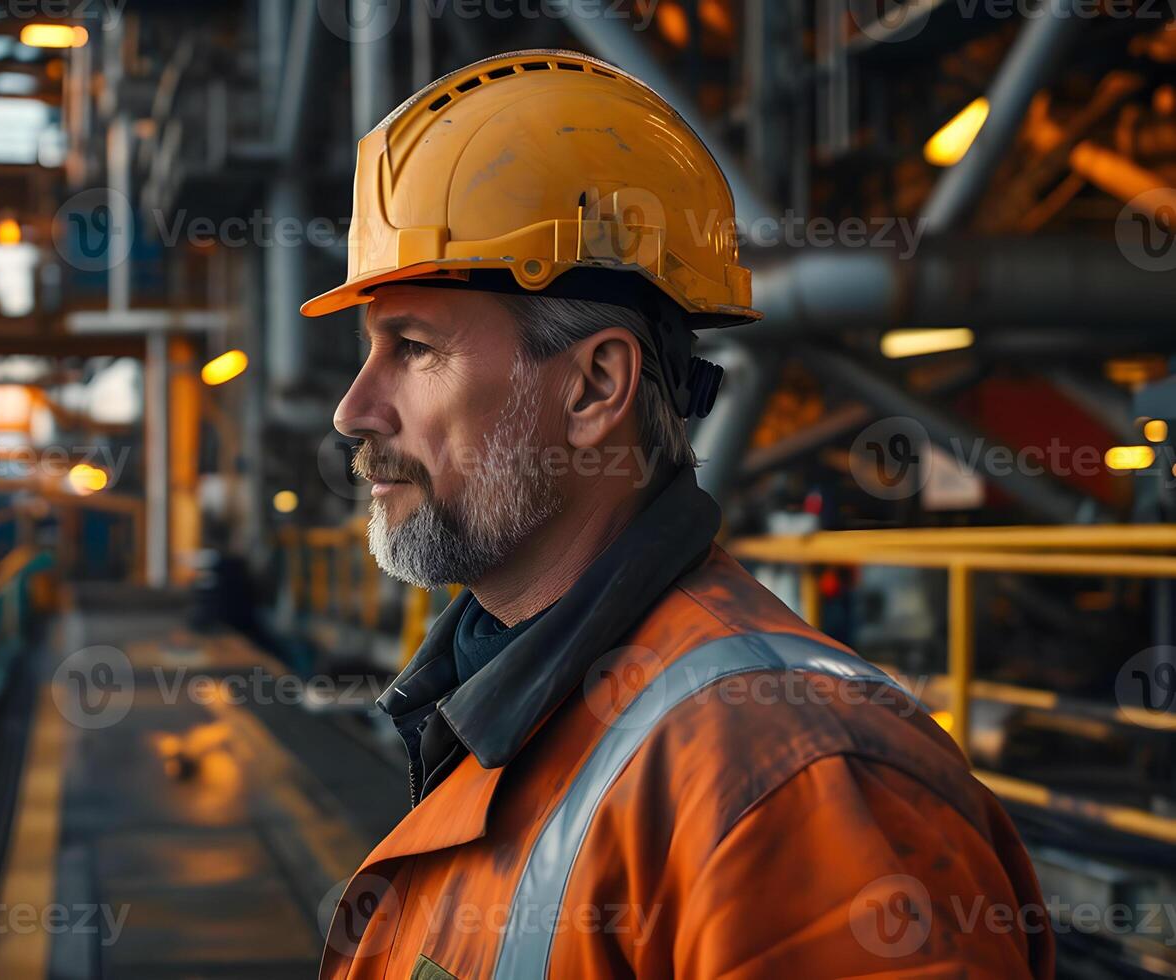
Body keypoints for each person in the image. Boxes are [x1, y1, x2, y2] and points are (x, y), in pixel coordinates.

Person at [302, 49, 1053, 979]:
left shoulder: (796, 782)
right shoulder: (509, 712)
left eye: (411, 347)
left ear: (594, 386)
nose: (352, 409)